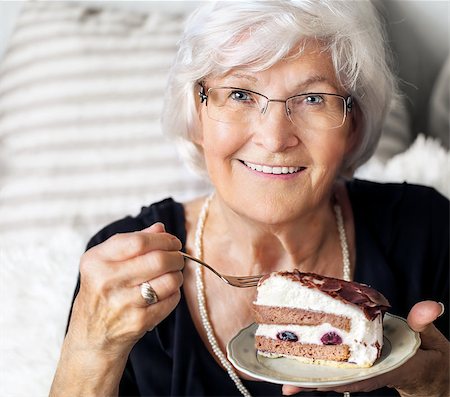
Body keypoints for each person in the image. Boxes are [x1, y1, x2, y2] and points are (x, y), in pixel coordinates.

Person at [50, 1, 449, 396]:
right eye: (240, 94)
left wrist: (437, 386)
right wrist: (91, 346)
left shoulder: (427, 229)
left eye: (313, 98)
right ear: (197, 117)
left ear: (353, 124)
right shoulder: (126, 268)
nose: (274, 138)